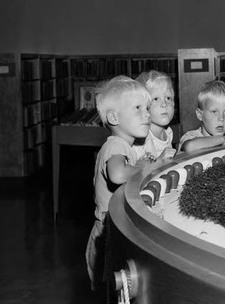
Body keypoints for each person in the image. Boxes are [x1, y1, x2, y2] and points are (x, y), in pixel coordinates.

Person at [85, 75, 154, 291]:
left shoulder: (124, 146)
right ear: (114, 117)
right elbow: (116, 174)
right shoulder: (116, 145)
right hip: (106, 234)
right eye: (137, 108)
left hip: (113, 229)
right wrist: (146, 167)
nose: (147, 114)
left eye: (147, 107)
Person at [178, 80, 225, 153]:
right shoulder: (191, 136)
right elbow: (190, 146)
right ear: (200, 115)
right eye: (214, 111)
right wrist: (223, 140)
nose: (221, 118)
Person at [133, 70, 177, 161]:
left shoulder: (168, 133)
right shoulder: (141, 139)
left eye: (168, 98)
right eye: (156, 99)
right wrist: (159, 160)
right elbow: (136, 171)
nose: (164, 104)